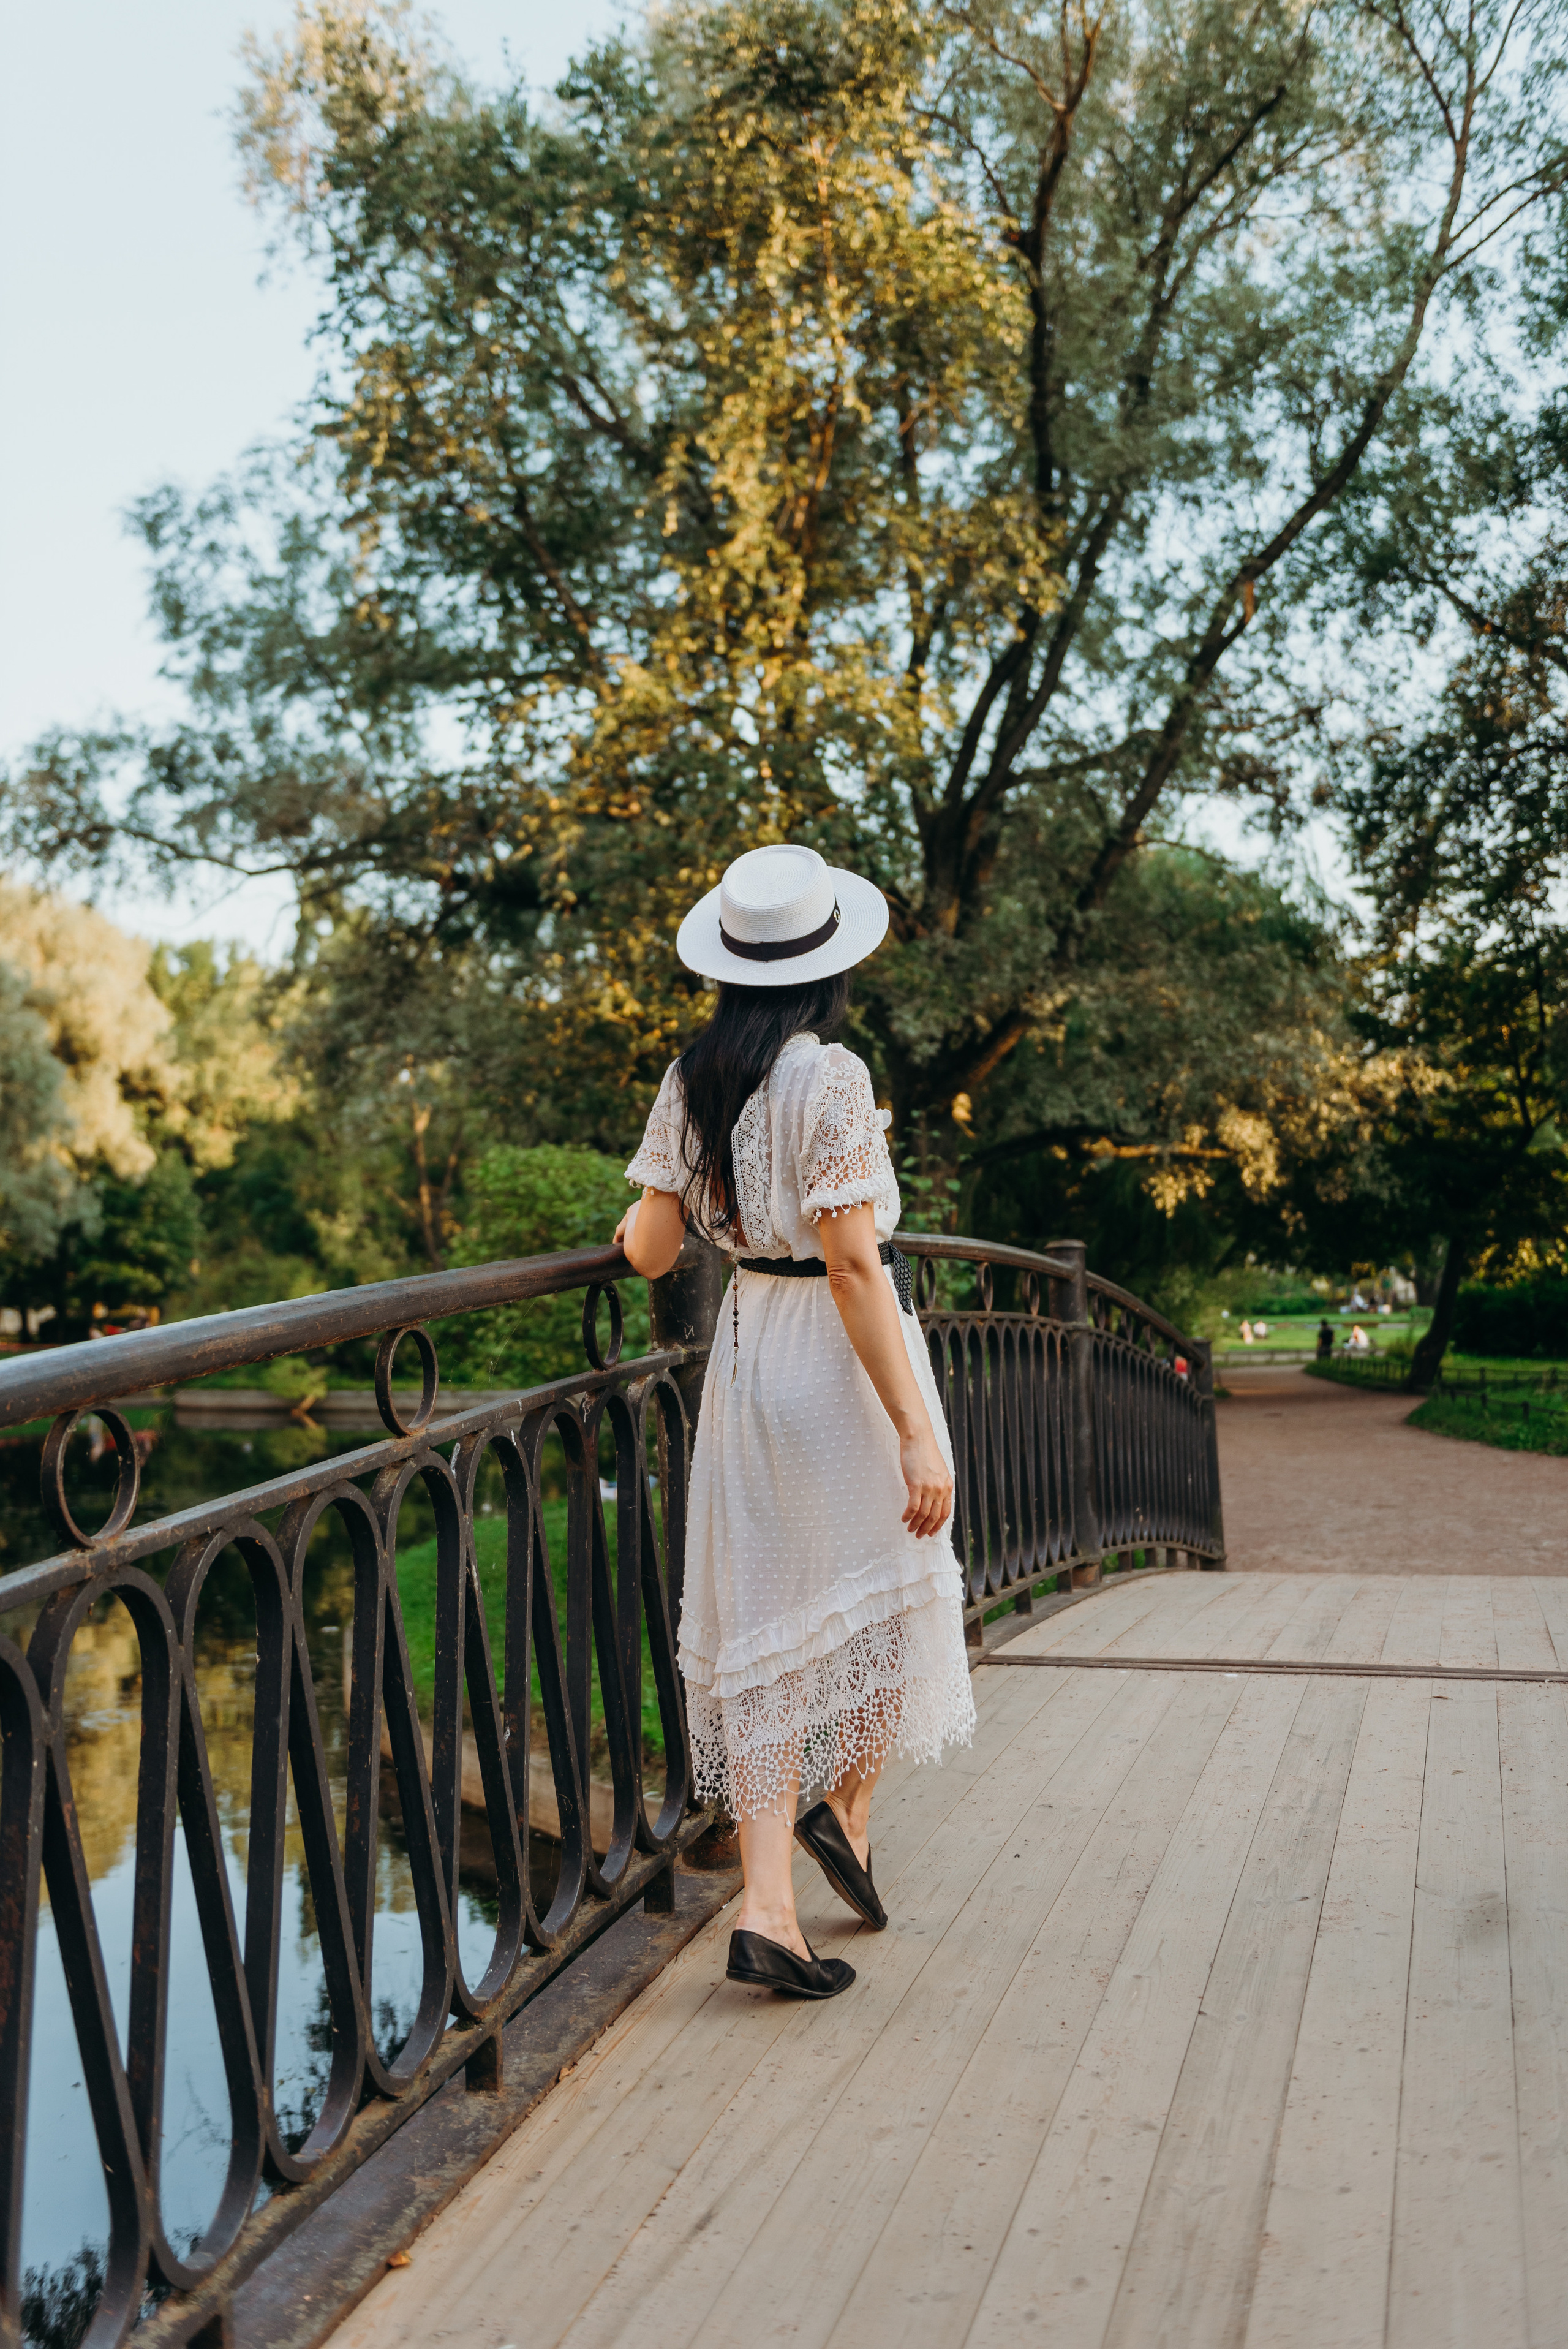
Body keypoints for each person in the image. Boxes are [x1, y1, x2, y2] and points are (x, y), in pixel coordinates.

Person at [614, 843, 975, 2001]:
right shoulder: (833, 1078)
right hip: (837, 1357)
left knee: (768, 1618)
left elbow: (652, 1249)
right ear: (829, 967)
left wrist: (639, 1213)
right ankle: (849, 1808)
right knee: (903, 1582)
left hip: (749, 1351)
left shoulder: (691, 1079)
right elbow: (855, 1262)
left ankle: (771, 1904)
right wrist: (914, 1428)